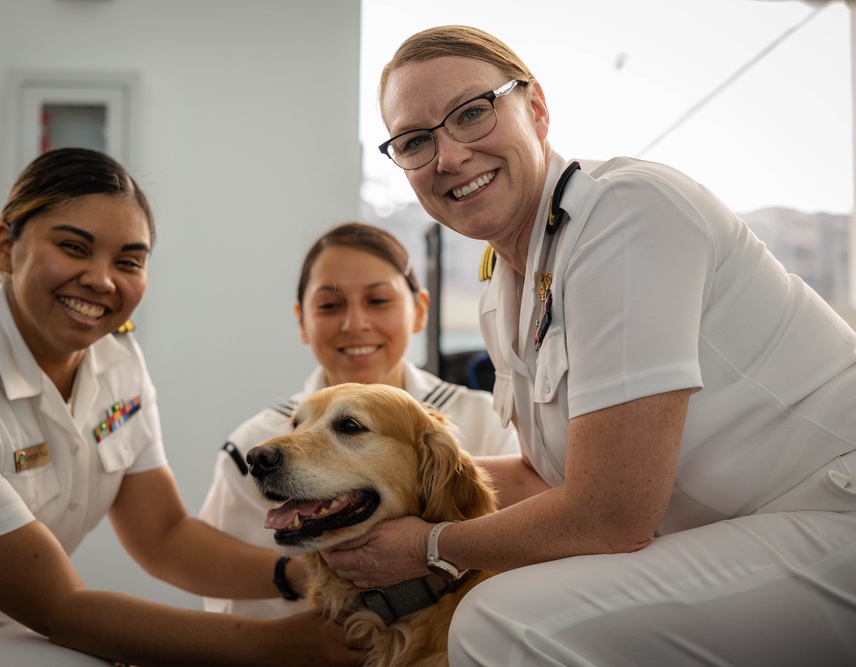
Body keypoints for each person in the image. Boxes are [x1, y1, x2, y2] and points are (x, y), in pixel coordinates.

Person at [321, 25, 856, 666]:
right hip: (741, 530)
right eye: (415, 142)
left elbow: (611, 515)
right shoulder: (504, 282)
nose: (450, 156)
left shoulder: (625, 212)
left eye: (471, 114)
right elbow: (540, 477)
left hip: (830, 511)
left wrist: (428, 545)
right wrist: (350, 483)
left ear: (537, 108)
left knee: (501, 620)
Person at [0, 148, 363, 667]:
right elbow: (63, 609)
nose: (102, 279)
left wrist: (307, 573)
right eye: (74, 247)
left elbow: (164, 538)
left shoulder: (117, 359)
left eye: (129, 262)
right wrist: (278, 646)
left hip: (15, 627)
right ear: (6, 249)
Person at [198, 221, 518, 618]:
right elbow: (231, 607)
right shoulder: (255, 440)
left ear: (419, 311)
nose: (355, 324)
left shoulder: (489, 420)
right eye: (330, 306)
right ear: (302, 321)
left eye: (379, 301)